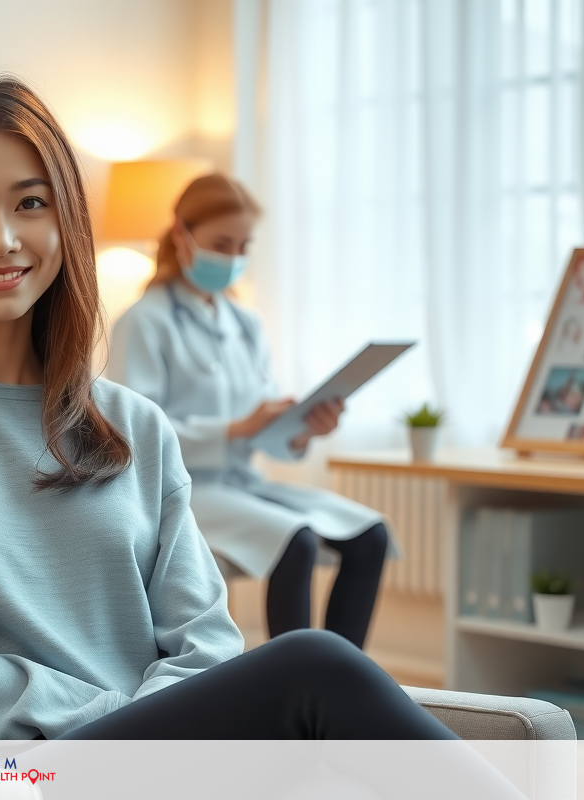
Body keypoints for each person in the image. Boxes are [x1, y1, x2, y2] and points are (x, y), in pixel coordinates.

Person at [0, 78, 454, 741]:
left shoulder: (134, 426)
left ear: (65, 221)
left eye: (30, 203)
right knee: (316, 665)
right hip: (0, 772)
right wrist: (140, 728)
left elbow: (206, 643)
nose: (0, 239)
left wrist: (164, 741)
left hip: (154, 759)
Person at [109, 174, 392, 650]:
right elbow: (134, 434)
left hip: (242, 484)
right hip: (180, 490)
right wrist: (238, 428)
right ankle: (294, 700)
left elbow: (265, 434)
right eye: (222, 243)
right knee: (295, 542)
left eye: (244, 245)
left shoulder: (246, 323)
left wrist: (302, 431)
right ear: (181, 234)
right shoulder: (143, 321)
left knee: (370, 536)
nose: (234, 257)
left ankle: (343, 686)